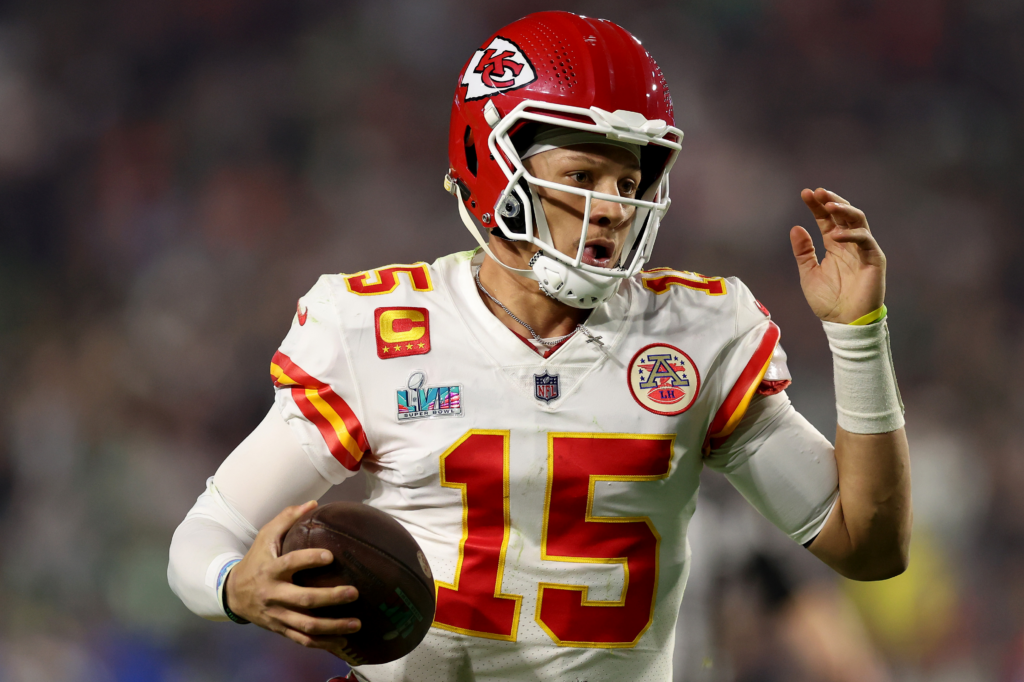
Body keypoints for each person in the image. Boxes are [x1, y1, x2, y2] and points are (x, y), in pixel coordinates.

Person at [168, 11, 911, 682]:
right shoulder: (376, 328)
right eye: (582, 175)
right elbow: (206, 535)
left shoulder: (698, 330)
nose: (612, 207)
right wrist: (235, 586)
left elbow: (867, 545)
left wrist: (858, 337)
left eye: (628, 182)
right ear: (496, 171)